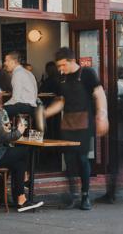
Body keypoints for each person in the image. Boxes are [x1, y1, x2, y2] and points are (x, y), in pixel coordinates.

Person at [44, 47, 108, 211]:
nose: (60, 69)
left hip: (84, 123)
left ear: (72, 61)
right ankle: (73, 196)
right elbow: (61, 102)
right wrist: (45, 113)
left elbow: (99, 94)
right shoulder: (61, 79)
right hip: (67, 123)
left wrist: (102, 116)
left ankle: (85, 195)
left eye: (63, 65)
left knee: (82, 159)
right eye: (59, 66)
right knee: (70, 161)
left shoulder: (87, 74)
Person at [0, 86, 43, 212]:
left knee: (18, 162)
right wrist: (19, 131)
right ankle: (21, 194)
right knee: (25, 151)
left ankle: (19, 197)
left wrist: (8, 130)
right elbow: (3, 138)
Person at [3, 51, 38, 118]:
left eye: (6, 61)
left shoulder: (17, 74)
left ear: (13, 61)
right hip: (32, 106)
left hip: (24, 107)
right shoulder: (28, 72)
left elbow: (15, 98)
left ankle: (7, 128)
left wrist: (3, 105)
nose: (5, 63)